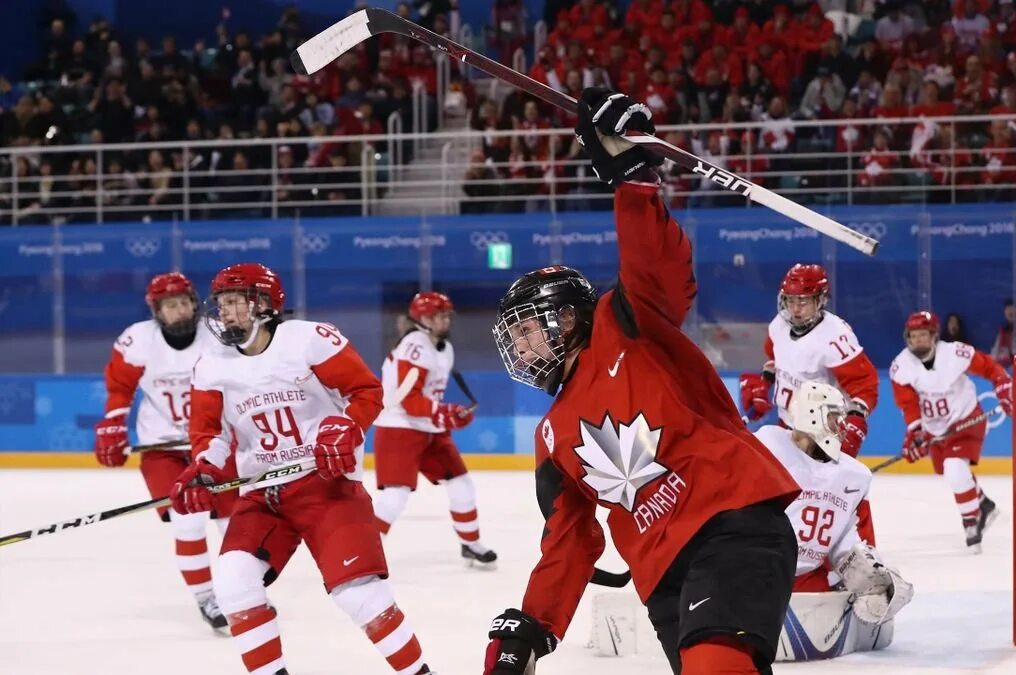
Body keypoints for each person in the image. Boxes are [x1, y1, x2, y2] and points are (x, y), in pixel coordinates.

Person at [482, 88, 800, 675]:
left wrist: (631, 175)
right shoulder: (551, 437)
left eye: (530, 329)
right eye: (516, 337)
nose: (522, 346)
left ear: (570, 315)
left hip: (728, 523)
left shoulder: (621, 321)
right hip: (662, 578)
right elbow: (570, 539)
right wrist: (532, 625)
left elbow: (660, 266)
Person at [169, 263, 430, 675]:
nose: (226, 312)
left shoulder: (309, 339)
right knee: (234, 582)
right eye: (221, 303)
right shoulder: (211, 364)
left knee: (359, 594)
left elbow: (365, 392)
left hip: (324, 486)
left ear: (266, 305)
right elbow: (210, 434)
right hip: (263, 495)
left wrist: (344, 425)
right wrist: (203, 469)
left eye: (236, 302)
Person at [94, 272, 231, 631]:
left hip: (213, 444)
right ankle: (206, 598)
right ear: (157, 310)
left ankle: (241, 591)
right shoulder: (137, 341)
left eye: (185, 302)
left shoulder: (216, 335)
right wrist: (112, 424)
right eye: (171, 305)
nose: (181, 310)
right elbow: (120, 388)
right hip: (162, 449)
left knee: (234, 521)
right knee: (187, 520)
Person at [754, 382, 912, 660]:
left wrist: (866, 571)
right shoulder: (769, 446)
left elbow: (843, 537)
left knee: (876, 604)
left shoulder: (853, 475)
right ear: (811, 414)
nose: (841, 425)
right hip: (757, 568)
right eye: (833, 416)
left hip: (808, 579)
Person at [373, 291, 497, 565]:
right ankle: (363, 553)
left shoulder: (444, 348)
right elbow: (409, 401)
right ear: (423, 319)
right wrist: (445, 414)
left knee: (461, 483)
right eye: (437, 315)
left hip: (427, 428)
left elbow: (427, 401)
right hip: (399, 427)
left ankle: (471, 543)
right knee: (395, 497)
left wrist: (448, 415)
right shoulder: (413, 346)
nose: (444, 320)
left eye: (445, 315)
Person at [890, 311, 1012, 552]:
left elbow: (990, 367)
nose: (918, 341)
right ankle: (983, 504)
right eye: (913, 336)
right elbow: (908, 405)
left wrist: (1004, 386)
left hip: (966, 418)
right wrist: (915, 434)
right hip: (936, 429)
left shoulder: (955, 353)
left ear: (934, 335)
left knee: (955, 468)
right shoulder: (901, 366)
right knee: (954, 472)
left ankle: (972, 521)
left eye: (923, 335)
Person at [740, 264, 879, 460]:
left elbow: (865, 385)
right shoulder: (778, 326)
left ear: (819, 300)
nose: (795, 309)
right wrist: (764, 383)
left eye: (803, 302)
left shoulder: (836, 337)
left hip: (821, 437)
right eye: (790, 300)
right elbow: (775, 360)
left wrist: (855, 420)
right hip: (786, 425)